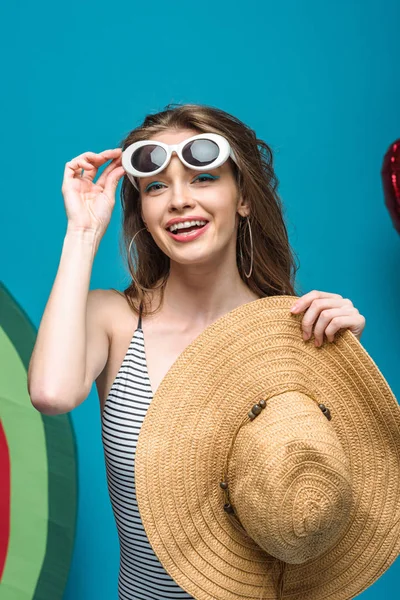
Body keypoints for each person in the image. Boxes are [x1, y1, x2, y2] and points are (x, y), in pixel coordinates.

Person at [28, 103, 366, 600]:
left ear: (243, 197)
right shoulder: (115, 320)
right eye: (157, 186)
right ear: (141, 209)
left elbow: (329, 506)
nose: (179, 201)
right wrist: (83, 232)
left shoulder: (297, 333)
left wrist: (348, 373)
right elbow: (51, 393)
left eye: (203, 178)